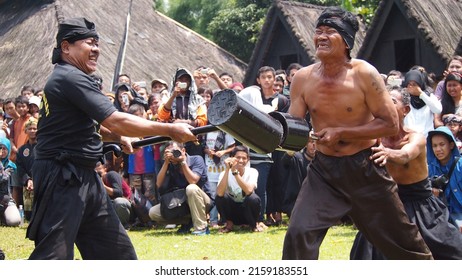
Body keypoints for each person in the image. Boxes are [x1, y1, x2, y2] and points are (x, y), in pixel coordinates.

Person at [26, 17, 196, 260]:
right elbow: (113, 119)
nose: (96, 49)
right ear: (66, 47)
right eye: (88, 43)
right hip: (62, 177)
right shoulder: (69, 77)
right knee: (54, 259)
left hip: (85, 177)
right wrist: (169, 130)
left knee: (118, 255)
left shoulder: (71, 78)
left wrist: (116, 136)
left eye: (97, 43)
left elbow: (89, 125)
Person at [282, 7, 432, 260]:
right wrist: (270, 127)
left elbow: (390, 124)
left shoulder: (364, 73)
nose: (321, 36)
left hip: (365, 167)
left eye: (330, 32)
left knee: (403, 243)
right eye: (318, 31)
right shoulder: (302, 78)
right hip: (324, 171)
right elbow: (293, 124)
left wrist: (342, 132)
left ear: (347, 41)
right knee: (299, 232)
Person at [350, 88, 462, 259]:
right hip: (388, 205)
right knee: (367, 254)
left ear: (406, 110)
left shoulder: (415, 137)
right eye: (383, 101)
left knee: (448, 253)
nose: (386, 104)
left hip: (421, 206)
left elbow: (406, 155)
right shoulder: (374, 140)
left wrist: (388, 153)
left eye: (392, 101)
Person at [148, 141, 213, 235]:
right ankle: (187, 222)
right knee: (153, 213)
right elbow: (158, 184)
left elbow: (193, 181)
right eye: (168, 152)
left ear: (183, 150)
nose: (172, 155)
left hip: (203, 201)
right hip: (182, 202)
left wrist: (183, 161)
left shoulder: (196, 159)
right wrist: (166, 163)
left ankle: (201, 228)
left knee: (191, 188)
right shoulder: (169, 165)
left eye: (175, 151)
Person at [157, 68, 207, 157]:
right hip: (172, 141)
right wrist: (173, 96)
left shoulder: (198, 99)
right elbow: (162, 117)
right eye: (180, 80)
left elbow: (202, 121)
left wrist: (181, 123)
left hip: (193, 140)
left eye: (186, 80)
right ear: (175, 81)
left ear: (190, 82)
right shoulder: (167, 97)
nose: (184, 82)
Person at [215, 145, 262, 233]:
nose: (241, 161)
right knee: (220, 198)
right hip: (233, 211)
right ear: (232, 158)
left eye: (244, 158)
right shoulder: (224, 173)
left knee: (253, 198)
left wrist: (235, 173)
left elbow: (249, 191)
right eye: (238, 158)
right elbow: (220, 193)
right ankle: (229, 224)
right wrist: (227, 170)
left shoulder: (252, 172)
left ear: (248, 160)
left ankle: (253, 224)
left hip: (247, 211)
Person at [427, 126, 462, 233]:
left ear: (451, 145)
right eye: (434, 145)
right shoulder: (429, 168)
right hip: (440, 215)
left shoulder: (460, 165)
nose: (438, 149)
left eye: (442, 144)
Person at [281, 136, 316, 218]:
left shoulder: (322, 160)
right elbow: (285, 162)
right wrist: (290, 153)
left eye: (316, 142)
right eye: (311, 142)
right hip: (297, 202)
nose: (314, 145)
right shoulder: (297, 158)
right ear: (306, 144)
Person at [402, 68, 442, 137]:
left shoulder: (429, 96)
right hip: (409, 138)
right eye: (409, 84)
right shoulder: (404, 97)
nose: (411, 87)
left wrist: (421, 94)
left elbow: (438, 110)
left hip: (427, 137)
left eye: (414, 84)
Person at [95, 161, 132, 229]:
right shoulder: (95, 184)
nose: (97, 172)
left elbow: (119, 193)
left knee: (119, 202)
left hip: (127, 204)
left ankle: (123, 226)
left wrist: (103, 186)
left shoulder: (111, 174)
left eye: (99, 169)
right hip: (113, 206)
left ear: (105, 168)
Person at [15, 117, 38, 221]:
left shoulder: (44, 148)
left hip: (41, 181)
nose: (32, 131)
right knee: (29, 215)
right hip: (27, 184)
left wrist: (36, 180)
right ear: (25, 131)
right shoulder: (22, 150)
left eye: (35, 128)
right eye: (30, 128)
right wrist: (28, 180)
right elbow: (20, 167)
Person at [0, 136, 20, 227]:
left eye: (4, 148)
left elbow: (4, 179)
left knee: (14, 221)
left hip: (6, 200)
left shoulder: (12, 166)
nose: (2, 151)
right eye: (0, 148)